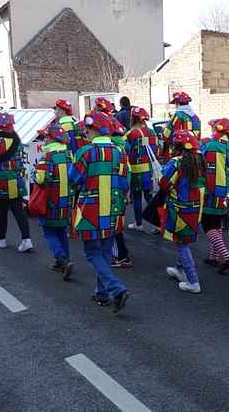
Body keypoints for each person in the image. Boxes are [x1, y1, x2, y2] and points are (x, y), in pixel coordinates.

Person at [69, 111, 130, 313]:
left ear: (95, 129)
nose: (85, 132)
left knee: (92, 252)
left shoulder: (85, 152)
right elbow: (124, 182)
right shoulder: (120, 152)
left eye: (87, 128)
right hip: (114, 207)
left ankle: (116, 288)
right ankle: (102, 293)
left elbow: (74, 179)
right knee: (104, 251)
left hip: (91, 208)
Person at [161, 129, 206, 294]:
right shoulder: (199, 160)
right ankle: (180, 270)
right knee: (184, 240)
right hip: (195, 209)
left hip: (179, 208)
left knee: (181, 243)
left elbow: (164, 184)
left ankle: (193, 281)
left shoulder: (175, 163)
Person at [0, 112, 33, 252]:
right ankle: (26, 239)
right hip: (15, 179)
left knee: (1, 210)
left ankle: (2, 239)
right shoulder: (18, 141)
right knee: (18, 209)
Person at [34, 123, 74, 280]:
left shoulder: (47, 157)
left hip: (51, 201)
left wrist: (34, 174)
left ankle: (62, 259)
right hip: (66, 201)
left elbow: (40, 179)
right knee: (62, 231)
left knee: (49, 231)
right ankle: (65, 260)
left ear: (51, 139)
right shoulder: (68, 155)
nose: (44, 140)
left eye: (45, 137)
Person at [201, 118, 229, 273]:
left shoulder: (210, 145)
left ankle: (226, 256)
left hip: (212, 190)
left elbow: (203, 167)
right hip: (226, 191)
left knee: (207, 224)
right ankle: (213, 257)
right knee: (216, 224)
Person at [124, 106, 160, 232]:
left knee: (137, 197)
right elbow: (157, 149)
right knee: (150, 197)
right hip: (149, 170)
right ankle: (158, 224)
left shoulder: (130, 134)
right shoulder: (151, 132)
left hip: (135, 171)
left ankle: (139, 224)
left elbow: (125, 152)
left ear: (133, 118)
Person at [109, 117, 134, 269]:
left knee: (113, 227)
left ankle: (121, 257)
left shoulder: (112, 151)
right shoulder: (122, 149)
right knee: (117, 224)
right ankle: (121, 254)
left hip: (113, 193)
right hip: (121, 193)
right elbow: (128, 173)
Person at [162, 92, 201, 160]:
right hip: (193, 152)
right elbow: (198, 136)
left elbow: (166, 134)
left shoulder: (177, 115)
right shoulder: (196, 117)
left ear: (177, 103)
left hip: (179, 152)